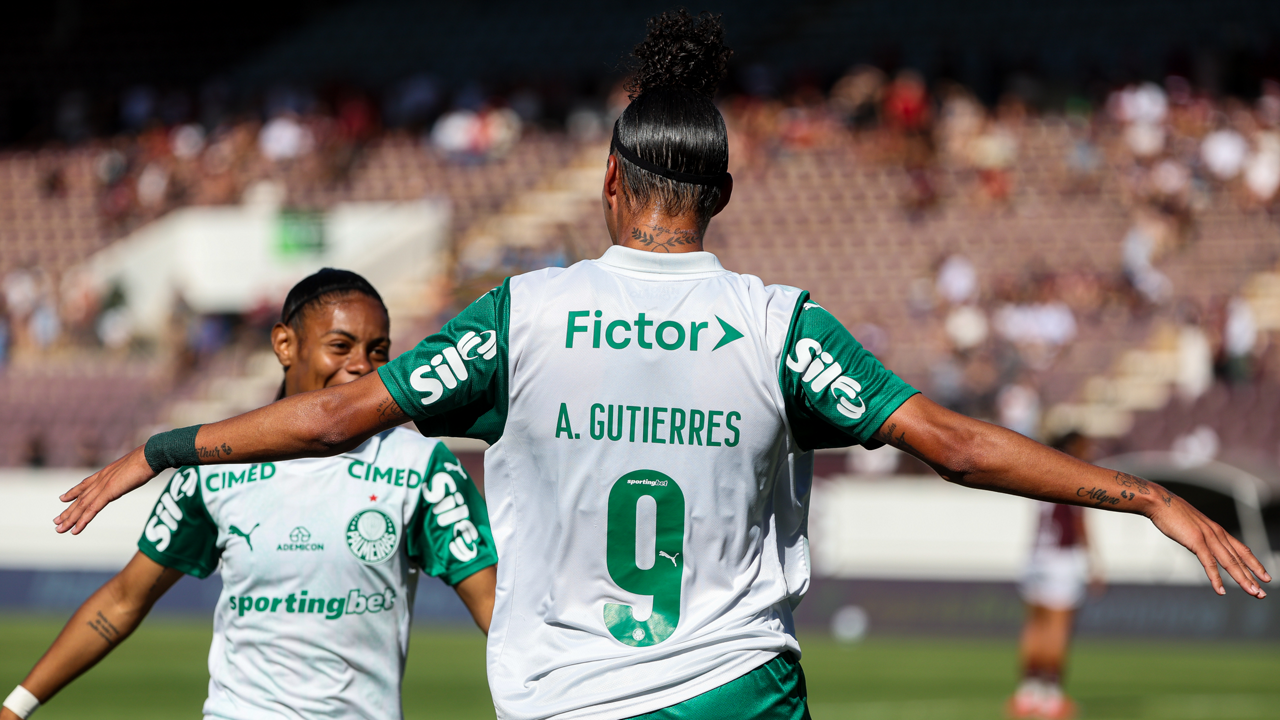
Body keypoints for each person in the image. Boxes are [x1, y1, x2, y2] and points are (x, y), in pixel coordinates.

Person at [47, 11, 1268, 720]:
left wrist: (154, 451)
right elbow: (950, 446)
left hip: (567, 698)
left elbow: (326, 423)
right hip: (736, 691)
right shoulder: (779, 324)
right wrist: (1137, 493)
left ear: (609, 184)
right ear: (723, 195)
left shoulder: (520, 317)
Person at [3, 269, 497, 720]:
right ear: (284, 344)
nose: (361, 367)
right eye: (340, 345)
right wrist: (17, 706)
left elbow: (493, 605)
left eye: (378, 351)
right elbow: (123, 601)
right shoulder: (217, 467)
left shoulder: (420, 465)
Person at [1008, 432, 1102, 720]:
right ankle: (1052, 697)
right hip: (1062, 559)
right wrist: (1095, 562)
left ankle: (1027, 693)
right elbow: (1079, 523)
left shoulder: (1039, 473)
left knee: (1034, 627)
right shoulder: (1073, 475)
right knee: (1058, 630)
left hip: (1036, 556)